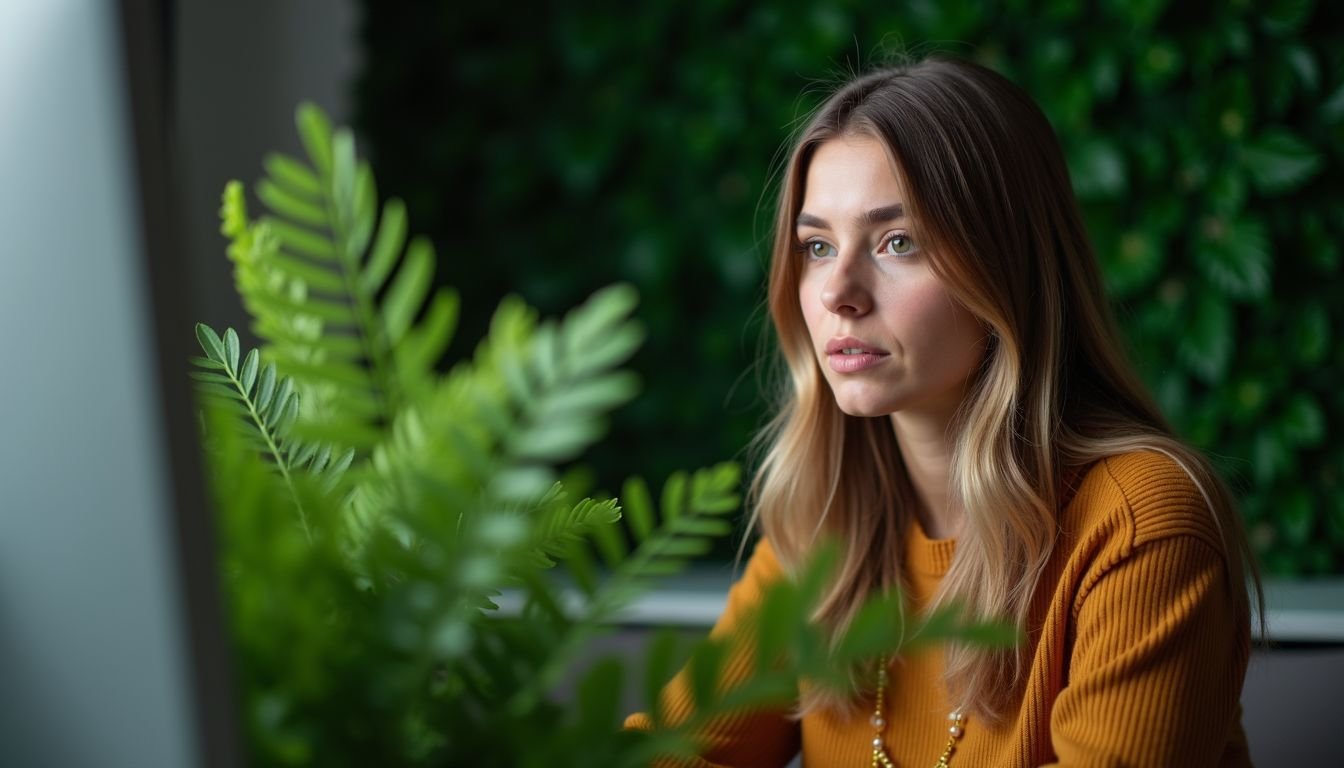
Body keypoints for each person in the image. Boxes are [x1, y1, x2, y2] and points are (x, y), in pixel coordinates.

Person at [624, 56, 1260, 767]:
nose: (838, 292)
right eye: (816, 246)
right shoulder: (824, 530)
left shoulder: (1141, 526)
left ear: (1005, 268)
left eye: (899, 242)